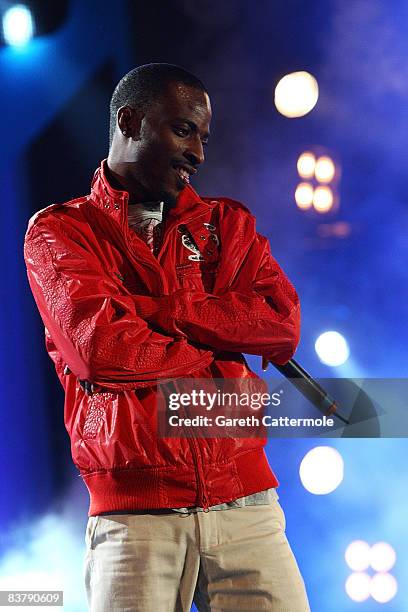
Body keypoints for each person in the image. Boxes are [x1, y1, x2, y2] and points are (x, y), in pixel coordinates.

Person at [24, 64, 310, 611]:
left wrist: (157, 311)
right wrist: (219, 330)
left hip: (247, 506)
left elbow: (280, 323)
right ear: (129, 121)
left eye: (203, 137)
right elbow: (102, 350)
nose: (198, 153)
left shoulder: (228, 226)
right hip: (134, 519)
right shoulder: (61, 231)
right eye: (183, 130)